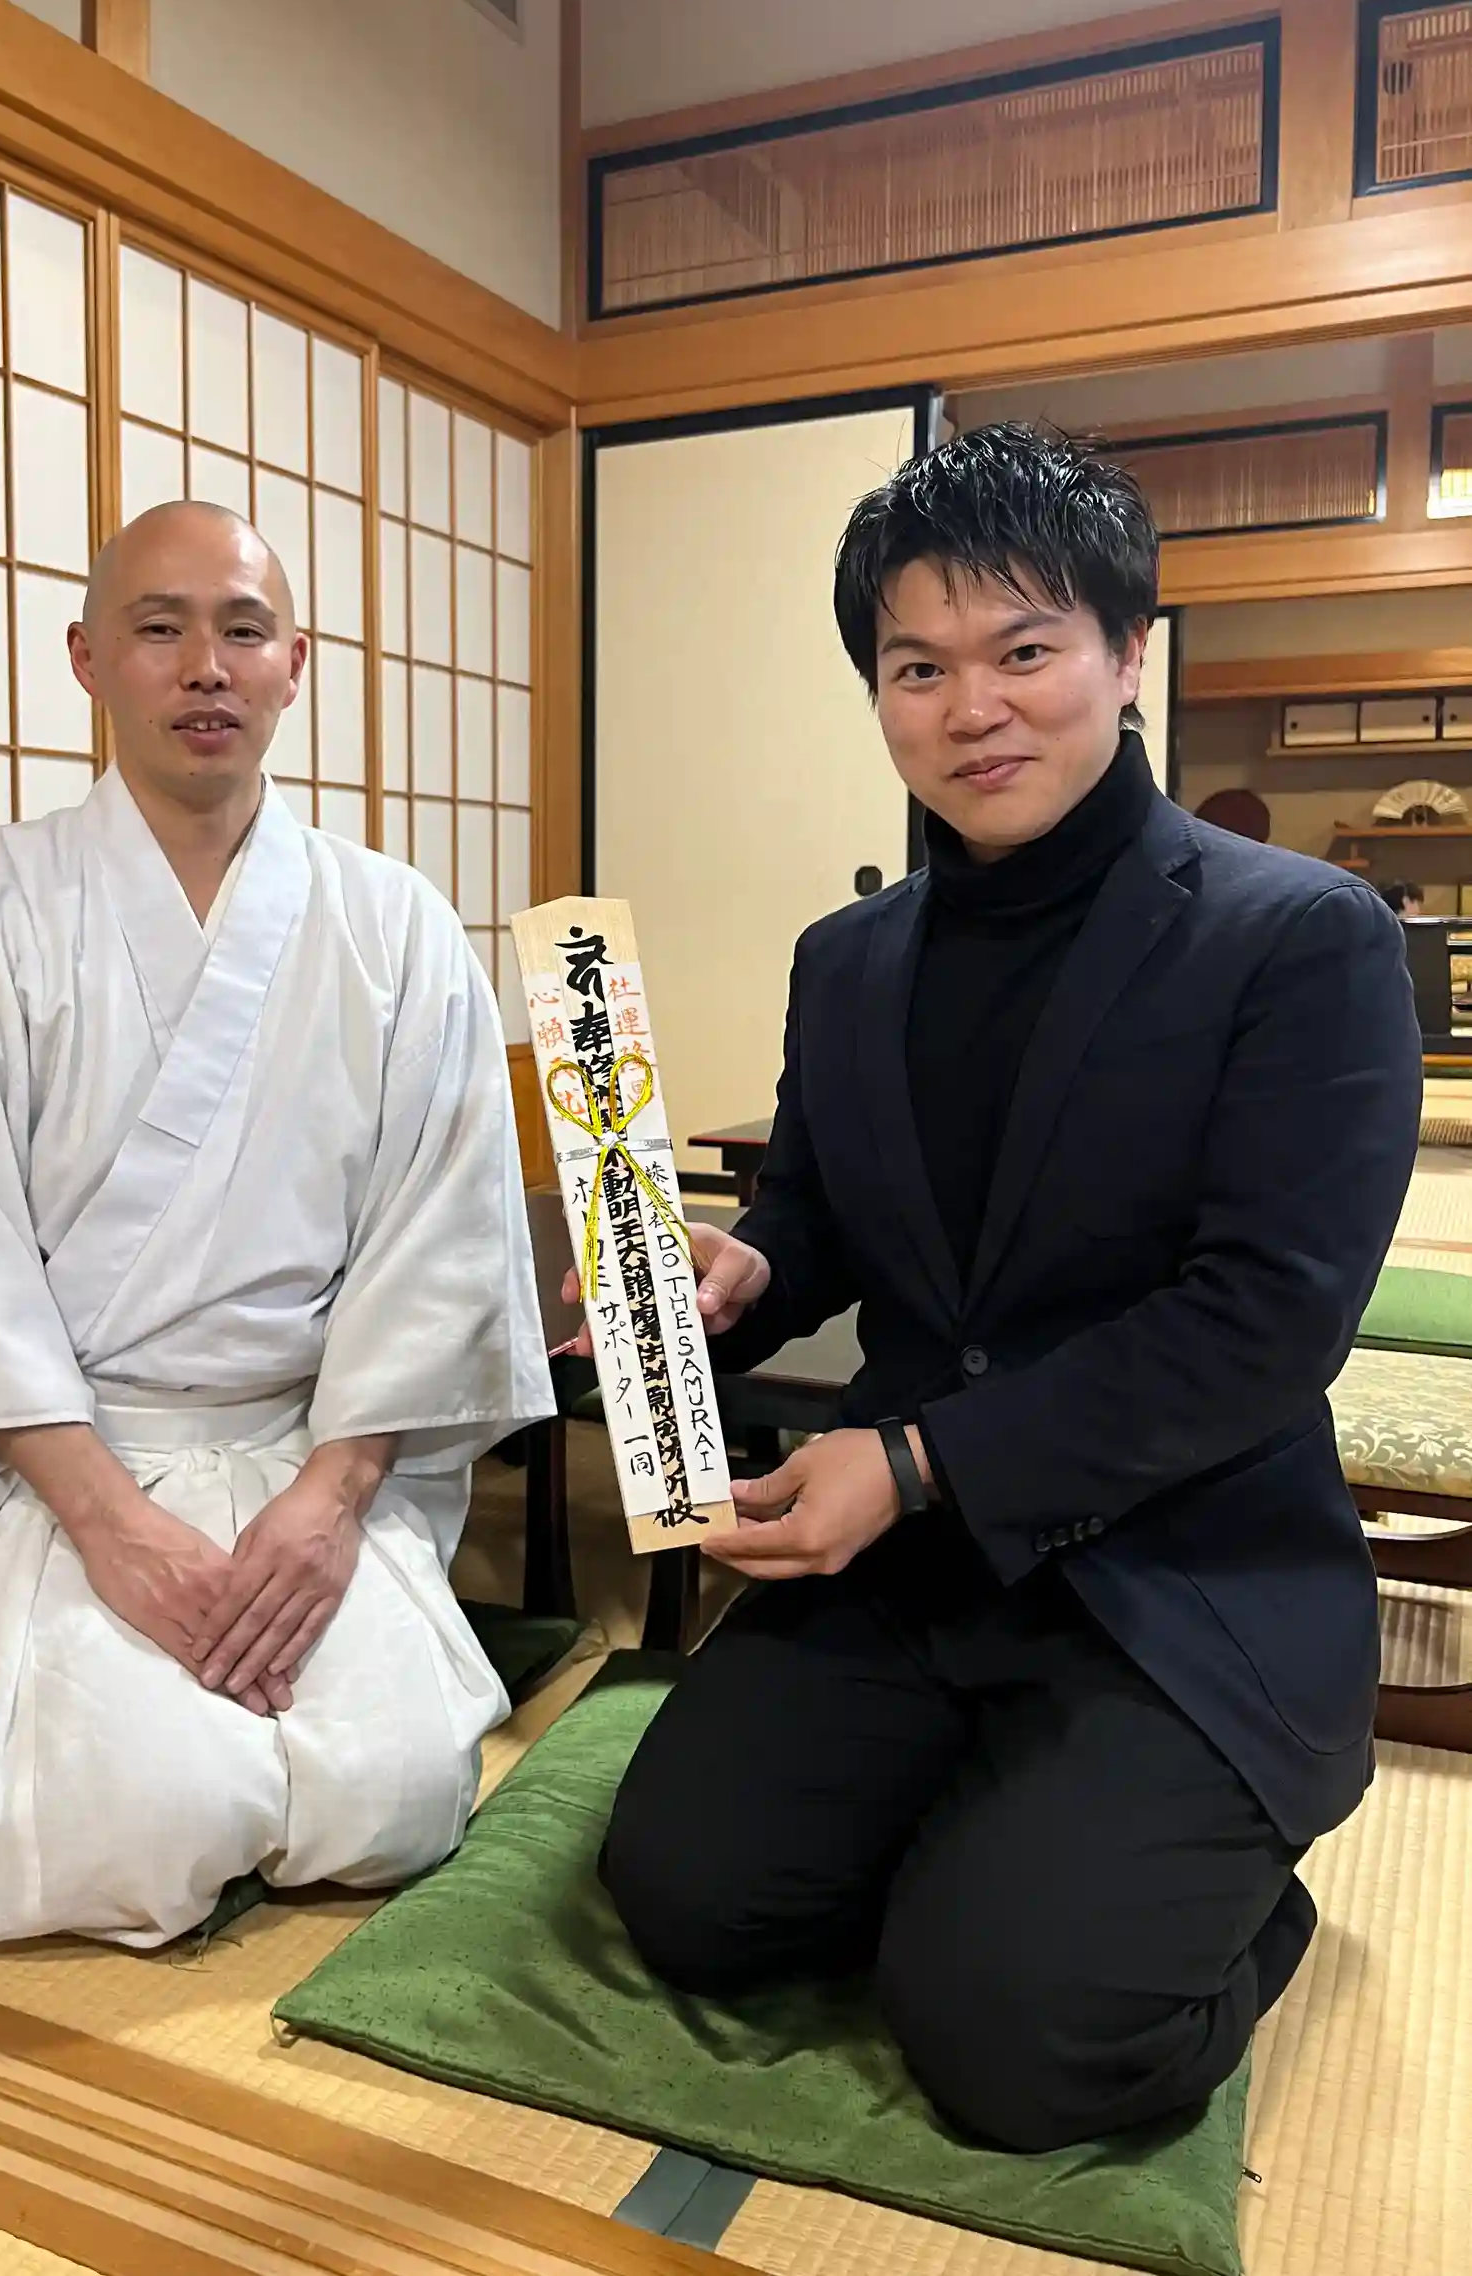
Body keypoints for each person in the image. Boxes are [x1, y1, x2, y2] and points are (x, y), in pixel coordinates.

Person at [594, 426, 1420, 2153]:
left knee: (1021, 2047)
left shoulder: (1297, 936)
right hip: (918, 1573)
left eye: (1023, 649)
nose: (972, 708)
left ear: (1127, 656)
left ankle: (1237, 1900)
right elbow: (819, 1210)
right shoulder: (849, 959)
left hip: (1176, 1573)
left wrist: (911, 1462)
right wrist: (748, 1266)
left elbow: (1265, 1323)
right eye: (918, 667)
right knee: (689, 1900)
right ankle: (1002, 1840)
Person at [0, 501, 553, 1948]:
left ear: (295, 665)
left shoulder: (398, 931)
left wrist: (330, 1505)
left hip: (308, 1457)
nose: (206, 665)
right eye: (160, 628)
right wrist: (112, 1525)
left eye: (243, 630)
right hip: (61, 1469)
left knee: (390, 1799)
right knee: (149, 1808)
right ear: (87, 657)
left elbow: (440, 1242)